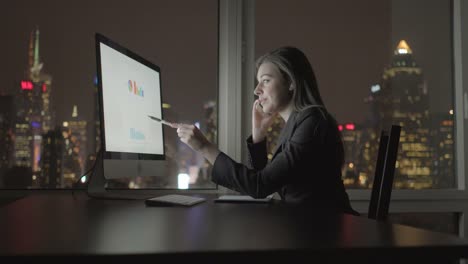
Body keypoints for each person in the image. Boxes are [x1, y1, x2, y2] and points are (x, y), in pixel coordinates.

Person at [173, 46, 358, 215]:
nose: (256, 90)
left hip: (327, 232)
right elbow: (264, 181)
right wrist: (259, 135)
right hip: (309, 226)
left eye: (266, 81)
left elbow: (259, 186)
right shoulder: (299, 122)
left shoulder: (312, 123)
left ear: (291, 82)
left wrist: (205, 147)